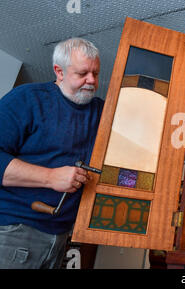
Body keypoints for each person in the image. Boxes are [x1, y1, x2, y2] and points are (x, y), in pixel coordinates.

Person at [0, 38, 104, 269]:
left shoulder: (102, 113)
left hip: (61, 238)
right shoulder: (26, 99)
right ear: (59, 71)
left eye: (95, 73)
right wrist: (51, 177)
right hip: (13, 232)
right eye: (83, 73)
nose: (92, 81)